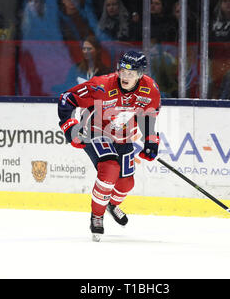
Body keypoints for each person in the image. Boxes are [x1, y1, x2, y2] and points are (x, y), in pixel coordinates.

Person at [57, 51, 161, 241]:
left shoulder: (150, 89)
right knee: (109, 169)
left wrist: (151, 141)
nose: (125, 76)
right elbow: (67, 98)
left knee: (127, 183)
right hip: (96, 131)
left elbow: (148, 116)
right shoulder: (102, 85)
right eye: (123, 71)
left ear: (140, 74)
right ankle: (97, 215)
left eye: (131, 73)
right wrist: (70, 128)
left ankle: (112, 205)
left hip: (123, 136)